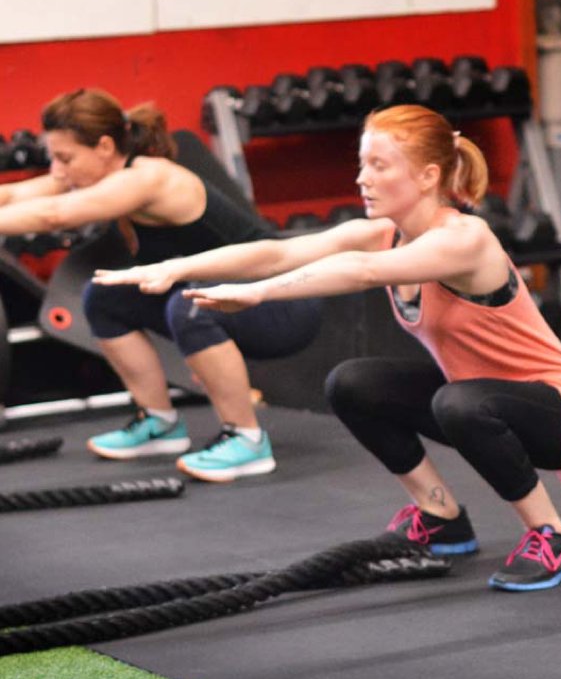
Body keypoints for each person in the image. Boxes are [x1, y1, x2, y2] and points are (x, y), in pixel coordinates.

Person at [96, 104, 561, 591]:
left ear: (428, 176)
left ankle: (552, 536)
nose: (362, 178)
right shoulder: (384, 233)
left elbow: (360, 272)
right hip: (477, 396)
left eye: (379, 166)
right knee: (353, 383)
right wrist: (178, 268)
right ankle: (440, 516)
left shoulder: (465, 239)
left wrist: (258, 295)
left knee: (459, 401)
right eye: (362, 164)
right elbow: (278, 251)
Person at [4, 88, 322, 481]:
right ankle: (159, 424)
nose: (56, 170)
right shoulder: (101, 175)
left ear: (104, 146)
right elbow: (18, 194)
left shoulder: (149, 178)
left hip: (284, 301)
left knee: (188, 301)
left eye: (65, 158)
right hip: (222, 297)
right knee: (105, 298)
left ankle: (247, 440)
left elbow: (54, 215)